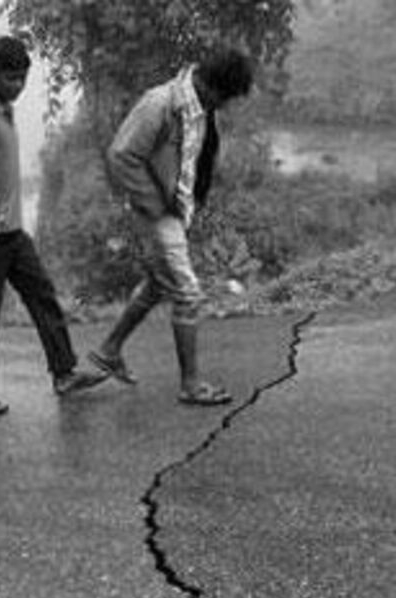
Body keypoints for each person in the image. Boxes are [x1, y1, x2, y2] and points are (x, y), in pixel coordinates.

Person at [0, 36, 107, 416]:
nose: (17, 86)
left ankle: (64, 373)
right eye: (10, 78)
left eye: (22, 79)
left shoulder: (4, 111)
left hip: (13, 235)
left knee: (43, 296)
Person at [87, 48, 256, 406]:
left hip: (176, 213)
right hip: (157, 213)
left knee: (157, 285)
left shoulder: (201, 110)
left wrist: (187, 206)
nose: (225, 105)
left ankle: (109, 349)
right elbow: (121, 155)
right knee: (187, 293)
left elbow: (192, 160)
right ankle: (190, 385)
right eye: (225, 97)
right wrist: (155, 205)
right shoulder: (160, 104)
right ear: (211, 86)